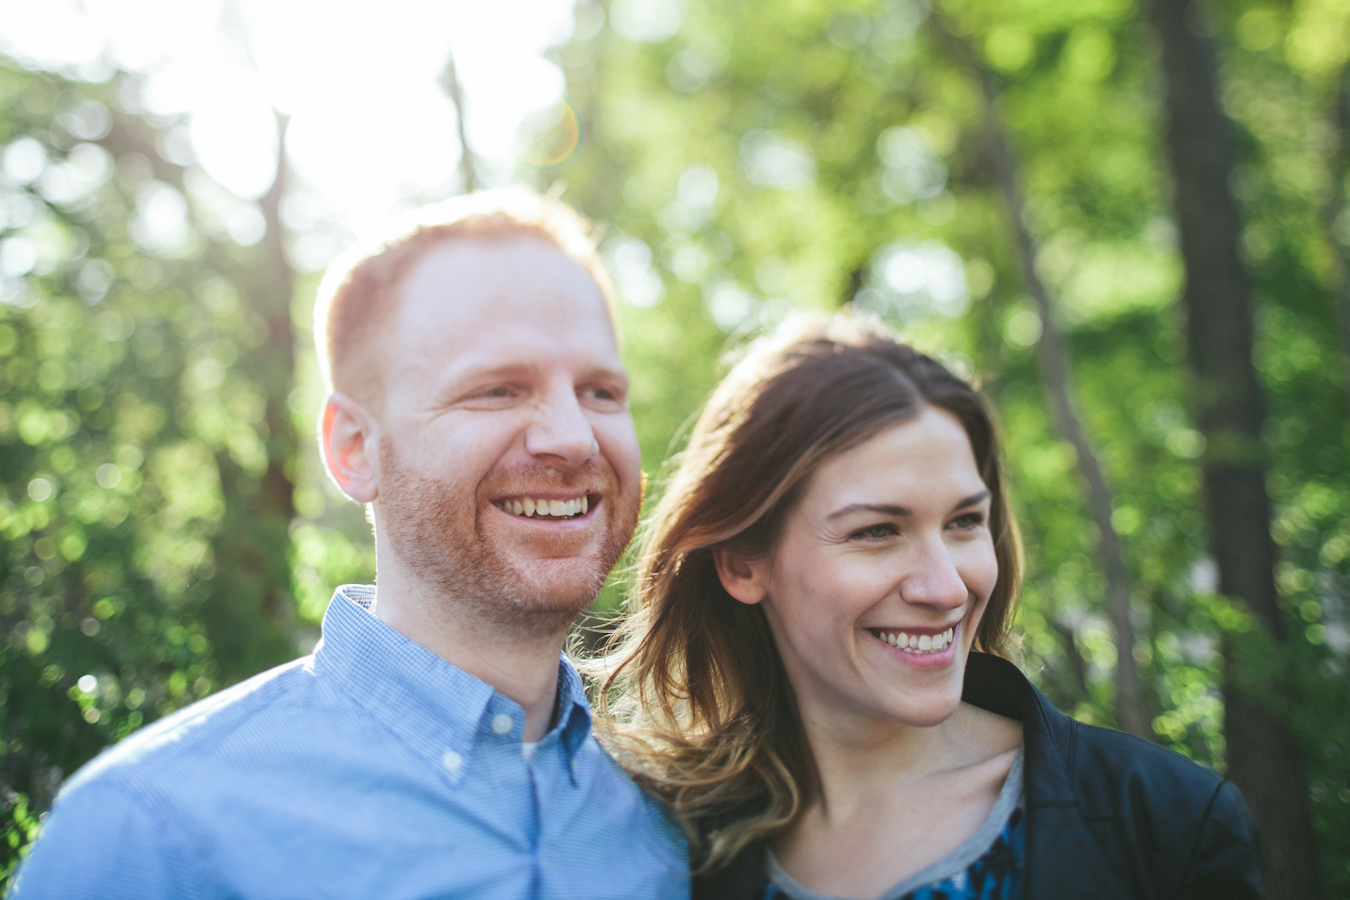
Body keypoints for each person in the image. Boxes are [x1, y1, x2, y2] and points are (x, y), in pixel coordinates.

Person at [12, 190, 688, 899]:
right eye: (496, 390)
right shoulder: (152, 836)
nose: (573, 437)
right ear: (354, 448)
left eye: (601, 391)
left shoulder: (682, 830)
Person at [592, 313, 1264, 900]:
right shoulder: (663, 853)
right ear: (742, 563)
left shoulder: (1168, 825)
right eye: (877, 532)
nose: (945, 588)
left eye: (965, 523)